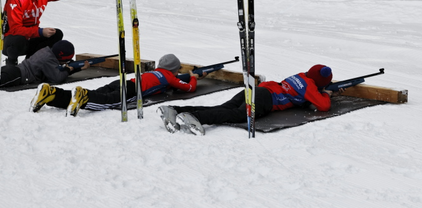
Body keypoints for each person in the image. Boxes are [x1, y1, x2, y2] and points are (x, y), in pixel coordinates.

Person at [157, 64, 333, 136]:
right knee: (237, 114)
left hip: (258, 89)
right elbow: (323, 106)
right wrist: (327, 94)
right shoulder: (310, 87)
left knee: (224, 107)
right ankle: (196, 118)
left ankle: (175, 110)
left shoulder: (302, 76)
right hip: (267, 99)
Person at [3, 0, 109, 66]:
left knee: (56, 34)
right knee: (19, 39)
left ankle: (31, 63)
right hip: (11, 41)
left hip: (31, 36)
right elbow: (15, 29)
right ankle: (12, 63)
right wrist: (39, 32)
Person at [31, 53, 197, 116]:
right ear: (174, 69)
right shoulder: (169, 77)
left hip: (123, 82)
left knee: (92, 94)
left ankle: (52, 93)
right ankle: (82, 96)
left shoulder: (154, 72)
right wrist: (194, 77)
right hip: (132, 90)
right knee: (104, 102)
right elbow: (189, 88)